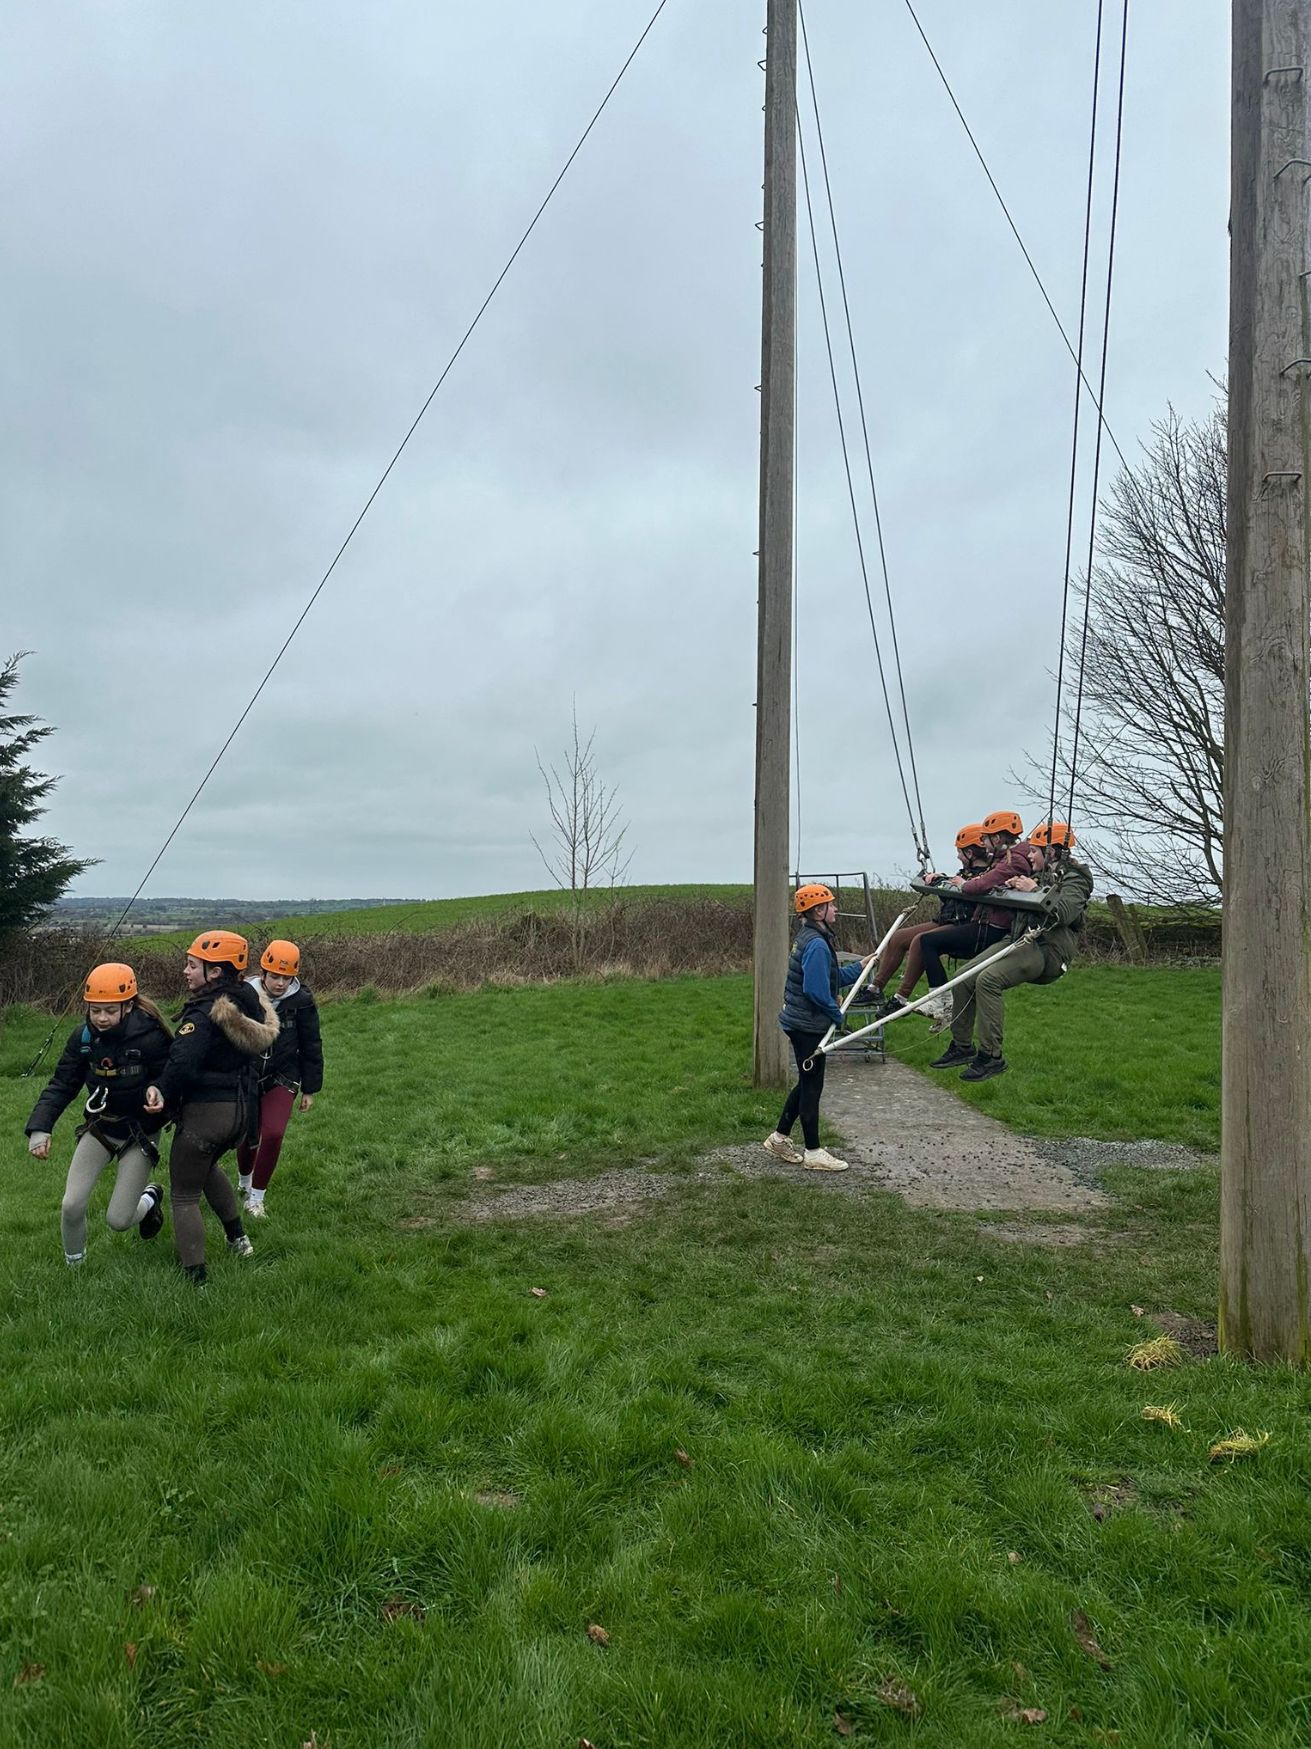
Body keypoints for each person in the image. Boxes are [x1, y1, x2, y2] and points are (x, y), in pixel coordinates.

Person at [144, 930, 279, 1285]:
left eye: (193, 965)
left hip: (207, 1115)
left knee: (183, 1194)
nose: (186, 971)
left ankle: (197, 1279)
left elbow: (182, 1062)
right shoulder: (248, 1001)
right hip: (241, 1113)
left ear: (215, 972)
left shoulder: (205, 1012)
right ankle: (239, 1239)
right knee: (205, 1170)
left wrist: (161, 1091)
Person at [24, 963, 170, 1266]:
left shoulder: (152, 1037)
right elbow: (62, 1084)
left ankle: (150, 1197)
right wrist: (40, 1128)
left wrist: (160, 1094)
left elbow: (172, 1078)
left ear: (128, 1006)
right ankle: (75, 1268)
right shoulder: (83, 1039)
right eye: (95, 1010)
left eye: (110, 1011)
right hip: (101, 1129)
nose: (102, 1018)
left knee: (118, 1220)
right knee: (71, 1205)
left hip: (139, 1134)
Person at [930, 820, 1093, 1081]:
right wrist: (1011, 888)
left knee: (988, 980)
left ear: (1050, 852)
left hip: (1047, 950)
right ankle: (962, 1046)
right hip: (1020, 938)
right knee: (963, 978)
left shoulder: (1076, 880)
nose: (1030, 856)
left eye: (1034, 851)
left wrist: (1033, 891)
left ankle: (991, 1057)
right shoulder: (1040, 875)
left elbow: (1064, 912)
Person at [763, 884, 873, 1173]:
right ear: (817, 911)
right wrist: (836, 1014)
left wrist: (861, 967)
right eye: (830, 905)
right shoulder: (816, 944)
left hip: (801, 1021)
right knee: (812, 1087)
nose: (835, 909)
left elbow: (829, 977)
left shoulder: (813, 938)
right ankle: (813, 1152)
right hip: (807, 1026)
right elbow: (815, 989)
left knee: (806, 1083)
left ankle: (778, 1139)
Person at [236, 939, 324, 1219]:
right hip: (247, 1076)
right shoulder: (244, 996)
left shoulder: (302, 1002)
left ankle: (256, 1199)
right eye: (275, 976)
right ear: (263, 973)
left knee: (273, 1133)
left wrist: (310, 1089)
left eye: (287, 978)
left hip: (283, 1076)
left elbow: (311, 1044)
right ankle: (244, 1181)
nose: (281, 983)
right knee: (246, 1134)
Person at [870, 824, 993, 1016]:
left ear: (970, 853)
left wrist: (953, 884)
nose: (958, 857)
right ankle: (875, 988)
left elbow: (971, 895)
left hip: (964, 924)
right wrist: (939, 880)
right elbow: (955, 893)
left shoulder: (986, 877)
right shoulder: (965, 874)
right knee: (899, 938)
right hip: (947, 919)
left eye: (960, 853)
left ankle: (900, 998)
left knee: (920, 941)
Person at [917, 809, 1044, 994]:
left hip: (993, 927)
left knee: (928, 941)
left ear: (997, 839)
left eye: (985, 838)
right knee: (928, 941)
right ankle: (937, 997)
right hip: (987, 923)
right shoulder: (1005, 859)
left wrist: (964, 884)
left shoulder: (1013, 861)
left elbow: (978, 886)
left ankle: (939, 997)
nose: (983, 843)